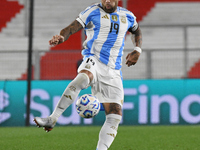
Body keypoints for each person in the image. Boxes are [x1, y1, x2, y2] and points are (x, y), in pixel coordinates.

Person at [33, 0, 142, 149]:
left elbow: (136, 31)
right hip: (94, 59)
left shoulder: (128, 16)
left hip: (113, 70)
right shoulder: (92, 11)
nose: (107, 1)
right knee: (83, 78)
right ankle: (52, 118)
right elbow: (72, 28)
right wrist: (62, 36)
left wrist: (137, 50)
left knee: (115, 114)